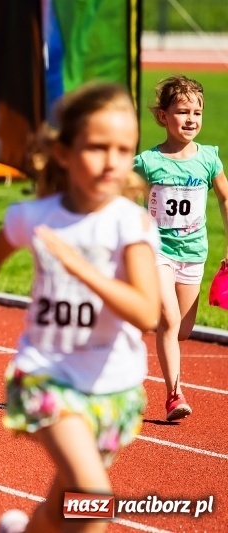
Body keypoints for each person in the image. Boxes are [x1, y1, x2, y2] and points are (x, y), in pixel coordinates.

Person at [0, 83, 161, 533]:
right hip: (48, 375)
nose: (112, 161)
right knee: (93, 500)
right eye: (97, 147)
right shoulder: (35, 217)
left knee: (65, 506)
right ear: (63, 153)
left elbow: (146, 313)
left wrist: (81, 268)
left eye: (124, 150)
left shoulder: (132, 224)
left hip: (115, 386)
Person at [134, 74, 228, 422]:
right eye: (182, 112)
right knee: (170, 320)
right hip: (157, 251)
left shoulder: (209, 159)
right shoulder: (148, 162)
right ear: (163, 116)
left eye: (196, 112)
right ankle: (174, 395)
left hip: (193, 253)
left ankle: (133, 317)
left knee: (181, 330)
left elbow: (225, 198)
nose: (191, 119)